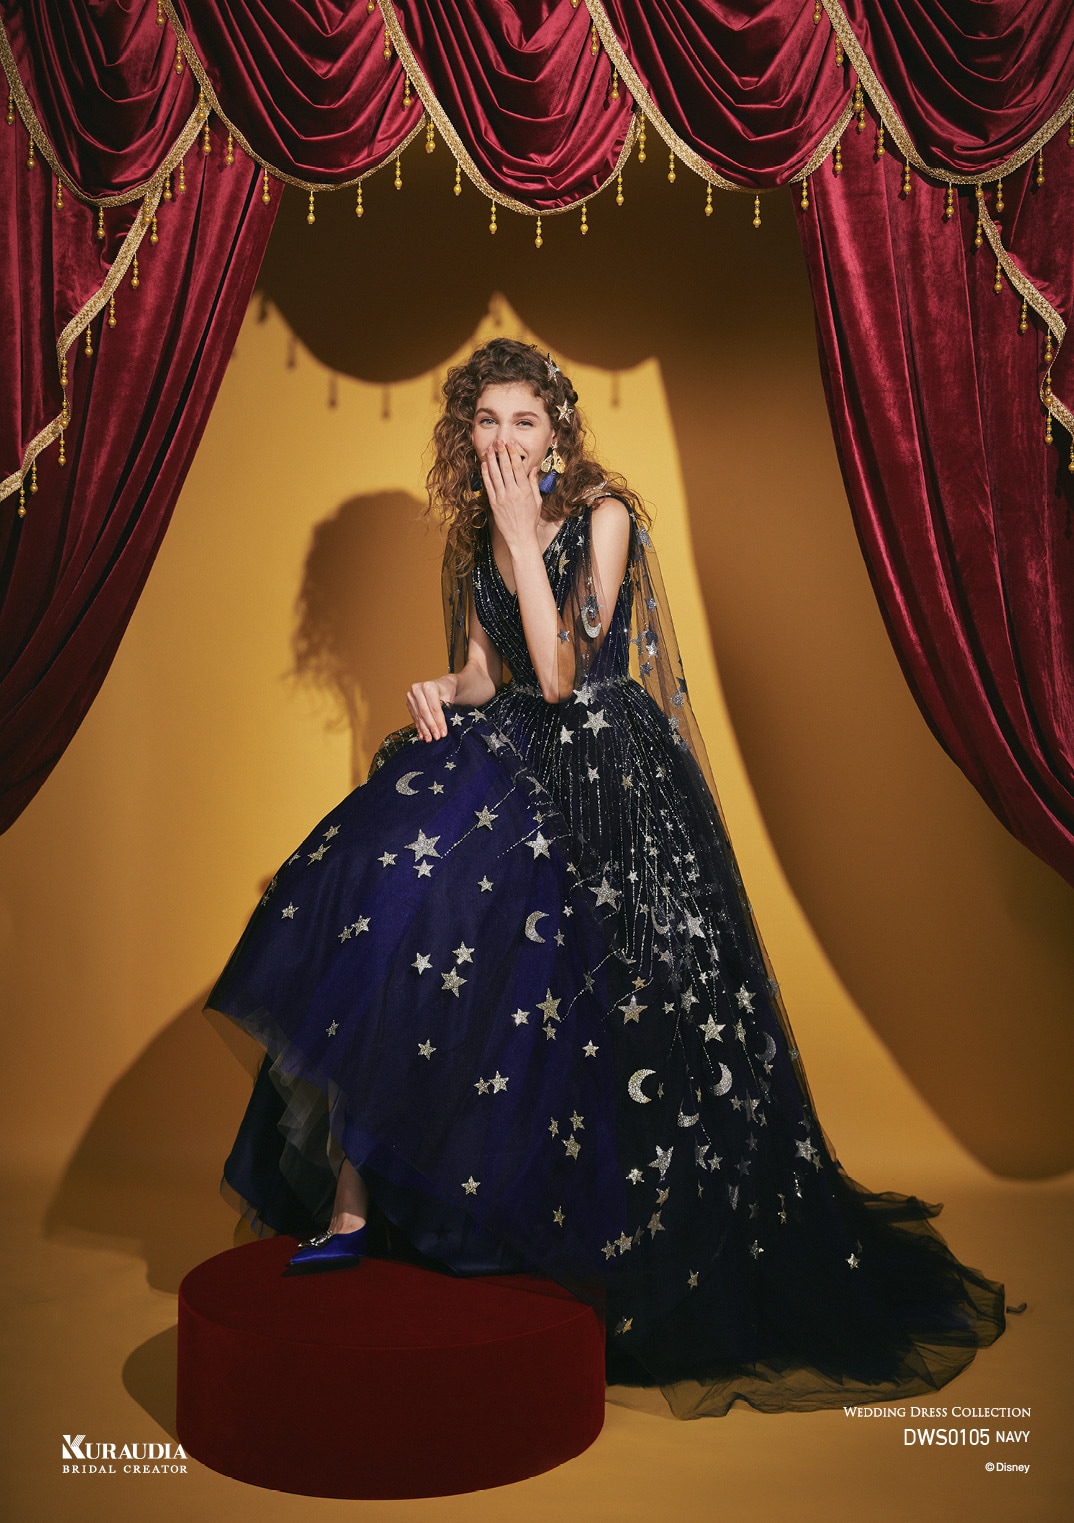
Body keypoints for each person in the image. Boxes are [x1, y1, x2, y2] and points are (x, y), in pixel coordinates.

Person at [207, 338, 1005, 1417]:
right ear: (465, 432)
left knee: (577, 992)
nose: (503, 440)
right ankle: (353, 1204)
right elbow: (490, 673)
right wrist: (439, 687)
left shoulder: (606, 515)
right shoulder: (475, 532)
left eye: (524, 421)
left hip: (599, 774)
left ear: (557, 434)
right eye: (485, 420)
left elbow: (559, 673)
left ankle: (570, 1227)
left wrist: (522, 535)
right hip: (512, 754)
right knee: (379, 888)